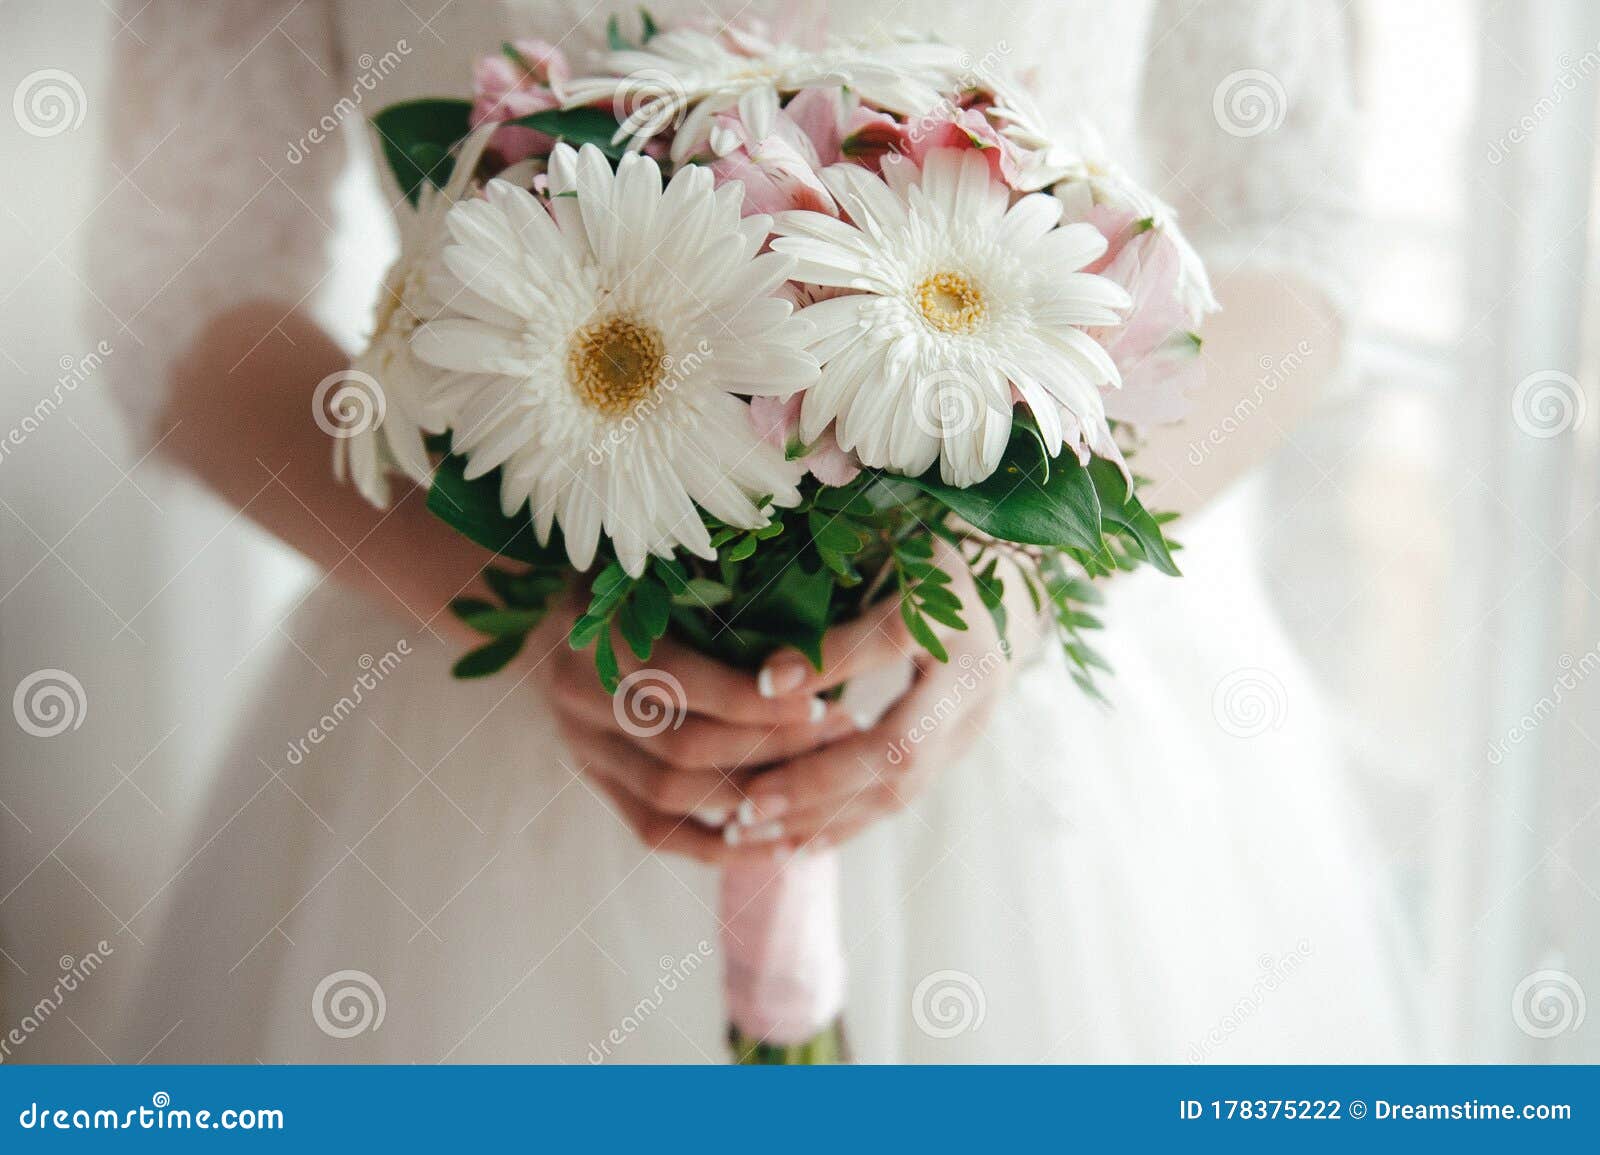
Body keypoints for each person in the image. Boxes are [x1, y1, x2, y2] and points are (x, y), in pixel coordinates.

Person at [89, 0, 1411, 1061]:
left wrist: (1007, 582)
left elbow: (1288, 227)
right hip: (483, 758)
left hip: (1054, 754)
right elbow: (180, 278)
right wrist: (520, 599)